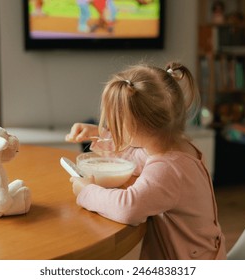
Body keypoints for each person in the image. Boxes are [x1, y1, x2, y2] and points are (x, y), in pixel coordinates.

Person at [65, 62, 226, 260]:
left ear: (133, 126)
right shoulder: (174, 147)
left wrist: (87, 191)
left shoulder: (168, 169)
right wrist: (100, 136)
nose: (112, 127)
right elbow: (135, 157)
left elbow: (128, 208)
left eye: (115, 122)